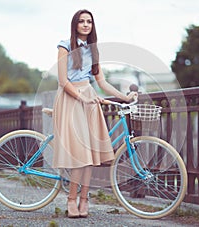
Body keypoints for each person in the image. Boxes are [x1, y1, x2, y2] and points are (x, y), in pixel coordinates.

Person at [52, 9, 137, 218]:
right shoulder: (64, 46)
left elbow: (102, 82)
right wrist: (82, 97)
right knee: (80, 154)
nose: (85, 24)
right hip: (71, 98)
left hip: (88, 97)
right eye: (81, 21)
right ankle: (71, 200)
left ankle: (84, 199)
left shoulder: (93, 50)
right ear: (75, 24)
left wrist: (124, 97)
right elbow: (63, 82)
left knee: (90, 155)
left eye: (89, 21)